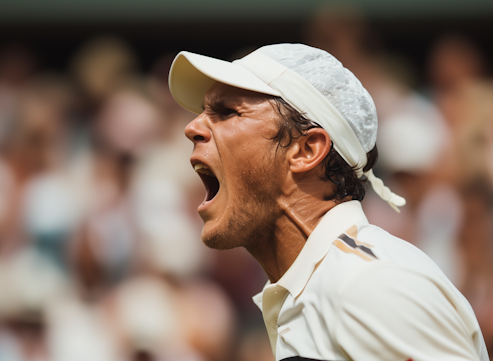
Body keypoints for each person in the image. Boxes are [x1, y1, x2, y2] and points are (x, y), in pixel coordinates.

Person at [168, 44, 489, 361]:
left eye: (226, 112)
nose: (192, 127)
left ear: (307, 150)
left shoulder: (369, 285)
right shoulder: (321, 288)